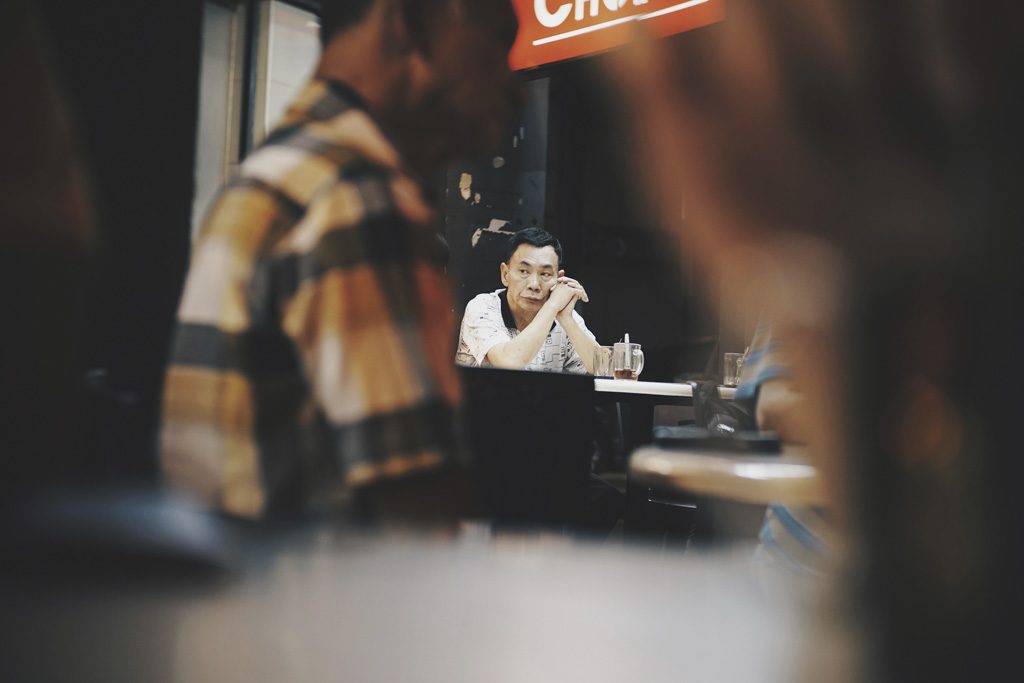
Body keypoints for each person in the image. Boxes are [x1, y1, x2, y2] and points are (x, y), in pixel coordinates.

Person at [160, 0, 523, 521]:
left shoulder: (274, 172)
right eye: (495, 40)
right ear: (410, 22)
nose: (514, 89)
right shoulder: (357, 196)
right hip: (320, 596)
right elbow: (417, 522)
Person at [455, 227, 600, 374]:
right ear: (505, 274)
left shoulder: (563, 315)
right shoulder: (482, 308)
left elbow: (605, 370)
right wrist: (551, 307)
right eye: (524, 271)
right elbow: (509, 363)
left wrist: (567, 320)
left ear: (558, 278)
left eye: (545, 274)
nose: (534, 285)